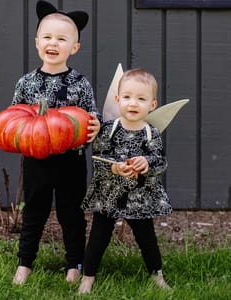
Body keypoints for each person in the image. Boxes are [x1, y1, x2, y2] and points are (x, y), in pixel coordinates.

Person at [11, 0, 101, 285]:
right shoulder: (26, 82)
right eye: (47, 37)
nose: (53, 43)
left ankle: (74, 263)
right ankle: (25, 264)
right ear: (37, 42)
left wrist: (96, 124)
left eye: (62, 39)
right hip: (37, 159)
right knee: (34, 212)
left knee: (71, 214)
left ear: (74, 48)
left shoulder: (79, 82)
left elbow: (92, 114)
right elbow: (14, 117)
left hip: (70, 160)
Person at [78, 68, 172, 294]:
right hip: (109, 193)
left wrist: (146, 163)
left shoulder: (152, 133)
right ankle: (87, 278)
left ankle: (156, 275)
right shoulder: (109, 130)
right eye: (127, 97)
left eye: (141, 99)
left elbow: (160, 161)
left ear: (152, 104)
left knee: (146, 236)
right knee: (99, 235)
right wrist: (114, 166)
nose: (133, 103)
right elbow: (98, 159)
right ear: (118, 99)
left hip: (139, 195)